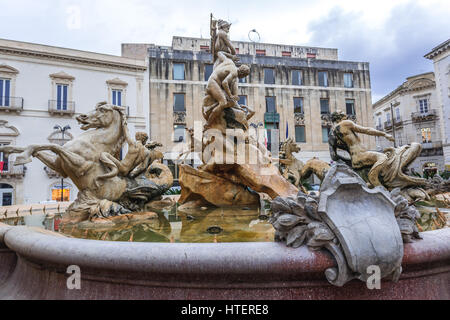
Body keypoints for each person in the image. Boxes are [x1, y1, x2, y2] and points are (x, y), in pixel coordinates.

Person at [329, 110, 394, 187]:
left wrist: (349, 162)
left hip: (355, 160)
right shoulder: (345, 123)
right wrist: (384, 134)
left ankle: (374, 183)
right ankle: (374, 180)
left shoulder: (333, 133)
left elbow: (334, 156)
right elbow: (367, 130)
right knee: (383, 158)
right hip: (361, 155)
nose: (345, 113)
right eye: (342, 112)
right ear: (339, 116)